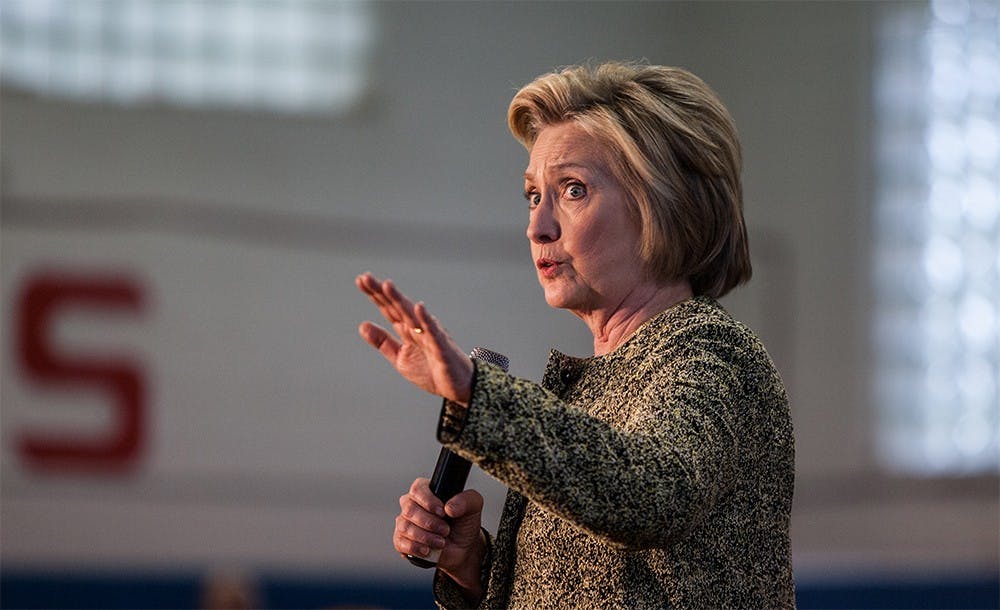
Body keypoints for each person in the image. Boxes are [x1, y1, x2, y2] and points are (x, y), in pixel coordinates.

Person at [356, 61, 795, 609]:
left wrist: (480, 399)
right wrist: (473, 569)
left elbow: (653, 497)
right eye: (532, 195)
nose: (537, 225)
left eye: (572, 190)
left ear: (662, 206)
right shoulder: (591, 392)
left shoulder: (713, 355)